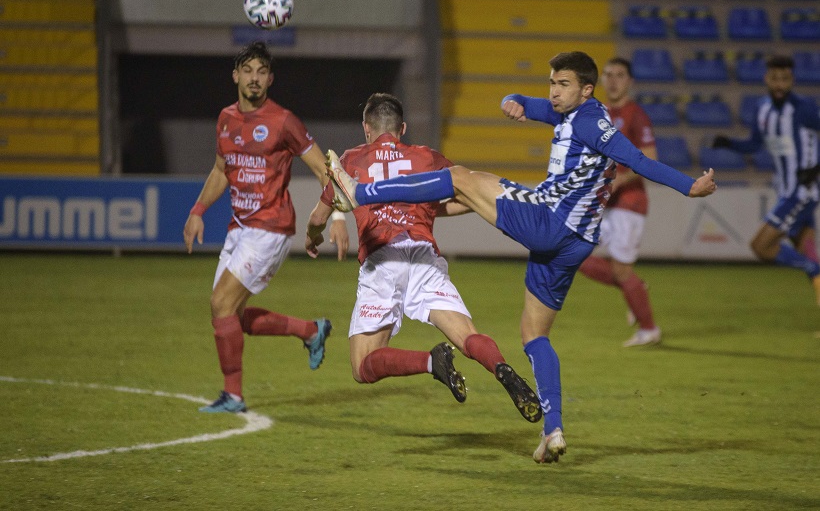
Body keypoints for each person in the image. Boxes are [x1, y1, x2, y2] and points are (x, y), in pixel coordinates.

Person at [325, 52, 716, 463]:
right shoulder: (571, 111)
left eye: (561, 84)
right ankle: (553, 432)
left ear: (586, 90)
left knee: (461, 178)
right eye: (551, 82)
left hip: (548, 221)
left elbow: (636, 159)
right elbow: (536, 106)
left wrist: (689, 187)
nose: (553, 92)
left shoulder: (592, 122)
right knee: (534, 334)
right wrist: (515, 101)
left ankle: (362, 193)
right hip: (575, 243)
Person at [304, 93, 542, 423]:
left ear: (366, 129)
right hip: (423, 256)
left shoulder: (350, 159)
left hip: (382, 261)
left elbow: (318, 218)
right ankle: (500, 366)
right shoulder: (426, 157)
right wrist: (433, 210)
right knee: (466, 334)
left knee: (362, 365)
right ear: (401, 128)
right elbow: (464, 195)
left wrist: (312, 238)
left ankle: (431, 362)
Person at [183, 41, 350, 413]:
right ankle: (311, 330)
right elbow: (219, 170)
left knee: (221, 303)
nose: (254, 78)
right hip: (239, 227)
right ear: (235, 76)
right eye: (248, 71)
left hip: (271, 228)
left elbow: (325, 170)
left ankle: (234, 397)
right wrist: (198, 210)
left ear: (270, 79)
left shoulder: (284, 121)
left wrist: (337, 216)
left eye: (261, 72)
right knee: (230, 316)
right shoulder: (226, 118)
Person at [712, 54, 820, 305]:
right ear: (766, 79)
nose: (780, 84)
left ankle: (815, 271)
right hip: (785, 191)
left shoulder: (804, 109)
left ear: (792, 80)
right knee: (807, 249)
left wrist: (815, 169)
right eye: (775, 79)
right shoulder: (763, 109)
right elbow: (754, 145)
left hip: (801, 192)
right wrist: (729, 144)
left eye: (785, 79)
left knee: (761, 246)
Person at [577, 58, 661, 347]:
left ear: (630, 81)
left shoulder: (636, 115)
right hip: (603, 202)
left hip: (629, 202)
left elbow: (650, 158)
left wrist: (620, 180)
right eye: (608, 75)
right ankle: (635, 288)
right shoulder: (595, 113)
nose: (613, 80)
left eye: (620, 75)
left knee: (621, 270)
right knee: (572, 253)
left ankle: (649, 330)